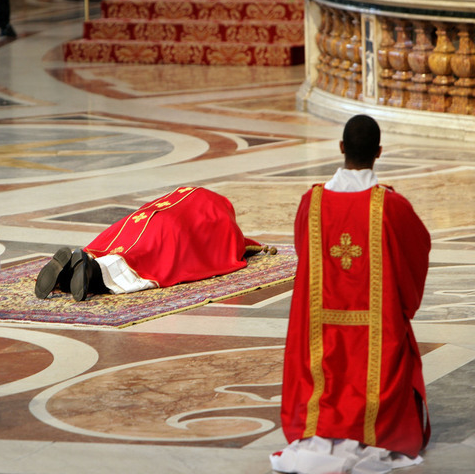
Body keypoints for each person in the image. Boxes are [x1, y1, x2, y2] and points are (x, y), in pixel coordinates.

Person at [271, 115, 431, 474]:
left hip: (320, 325)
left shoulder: (309, 203)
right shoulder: (391, 207)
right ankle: (368, 426)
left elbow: (305, 256)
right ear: (379, 152)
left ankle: (323, 424)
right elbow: (417, 249)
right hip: (378, 325)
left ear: (341, 148)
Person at [35, 186, 270, 302]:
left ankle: (76, 265)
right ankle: (92, 273)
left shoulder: (191, 194)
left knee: (119, 243)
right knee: (147, 261)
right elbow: (232, 249)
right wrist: (252, 246)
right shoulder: (222, 221)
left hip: (147, 216)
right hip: (174, 230)